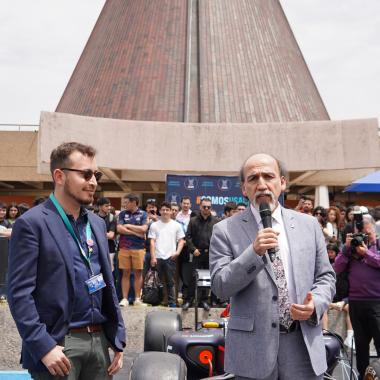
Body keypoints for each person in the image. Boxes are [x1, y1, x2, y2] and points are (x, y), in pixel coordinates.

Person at [209, 153, 335, 380]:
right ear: (243, 188)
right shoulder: (224, 230)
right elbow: (220, 286)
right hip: (252, 352)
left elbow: (326, 277)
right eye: (253, 178)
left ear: (283, 183)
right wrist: (253, 253)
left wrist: (315, 303)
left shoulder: (309, 225)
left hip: (302, 348)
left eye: (268, 176)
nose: (262, 184)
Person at [7, 142, 125, 379]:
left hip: (99, 342)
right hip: (58, 347)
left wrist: (116, 339)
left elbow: (107, 284)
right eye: (86, 174)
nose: (94, 182)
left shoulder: (97, 223)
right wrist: (44, 346)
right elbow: (19, 293)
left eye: (96, 174)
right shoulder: (32, 223)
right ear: (59, 176)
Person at [334, 213, 380, 380]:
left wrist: (366, 252)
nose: (363, 238)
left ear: (374, 231)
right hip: (356, 303)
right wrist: (346, 248)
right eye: (360, 234)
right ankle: (363, 376)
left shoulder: (378, 245)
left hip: (376, 303)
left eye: (367, 234)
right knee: (361, 346)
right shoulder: (350, 250)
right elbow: (337, 268)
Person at [183, 197, 219, 311]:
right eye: (204, 207)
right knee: (193, 277)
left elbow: (218, 239)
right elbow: (188, 237)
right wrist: (193, 249)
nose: (206, 209)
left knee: (206, 278)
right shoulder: (193, 220)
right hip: (197, 253)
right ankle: (189, 300)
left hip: (210, 254)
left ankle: (203, 300)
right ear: (200, 207)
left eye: (208, 207)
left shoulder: (215, 221)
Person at [149, 202, 185, 307]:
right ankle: (158, 301)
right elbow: (152, 242)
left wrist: (177, 252)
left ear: (170, 211)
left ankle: (172, 303)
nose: (165, 212)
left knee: (171, 282)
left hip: (170, 257)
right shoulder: (154, 225)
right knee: (157, 282)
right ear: (160, 211)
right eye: (163, 210)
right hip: (157, 257)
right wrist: (153, 257)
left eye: (167, 210)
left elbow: (181, 240)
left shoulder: (176, 225)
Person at [117, 193, 148, 307]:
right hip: (124, 247)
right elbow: (119, 228)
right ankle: (124, 298)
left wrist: (128, 226)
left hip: (139, 248)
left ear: (134, 202)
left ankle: (137, 298)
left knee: (138, 273)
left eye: (127, 202)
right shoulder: (122, 214)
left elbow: (144, 229)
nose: (125, 205)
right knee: (125, 273)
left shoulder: (143, 214)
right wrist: (135, 232)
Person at [97, 197, 117, 271]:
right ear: (100, 206)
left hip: (109, 249)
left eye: (109, 206)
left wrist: (96, 233)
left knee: (109, 271)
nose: (109, 208)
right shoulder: (93, 217)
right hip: (96, 249)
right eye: (106, 206)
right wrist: (105, 234)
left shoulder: (112, 218)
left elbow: (111, 235)